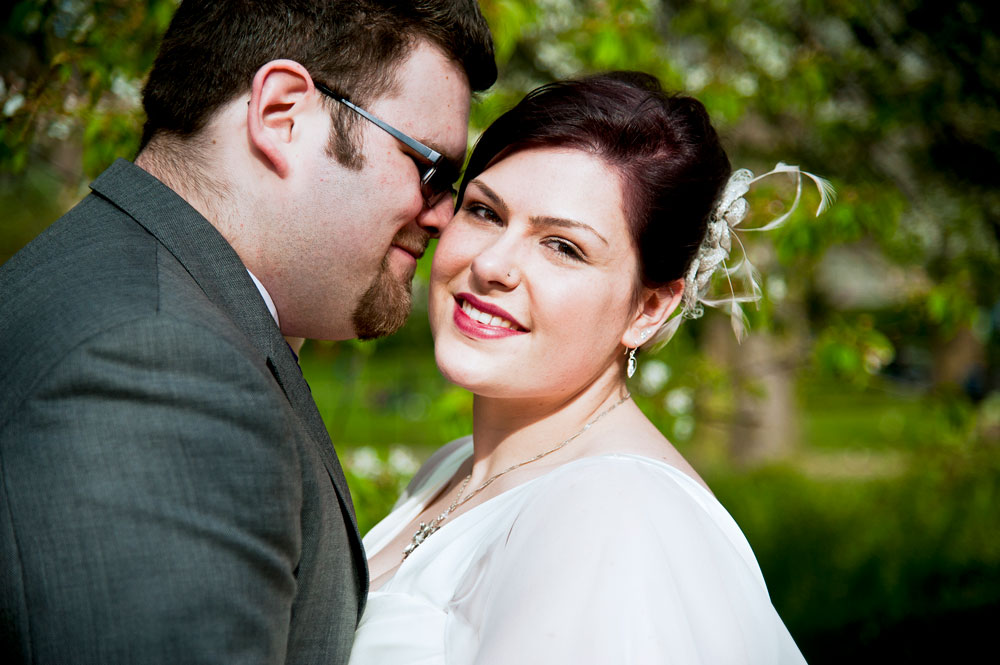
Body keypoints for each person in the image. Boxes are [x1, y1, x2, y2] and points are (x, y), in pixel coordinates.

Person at [0, 1, 495, 663]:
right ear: (281, 113)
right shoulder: (162, 365)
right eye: (430, 168)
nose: (442, 216)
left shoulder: (112, 280)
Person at [348, 72, 830, 663]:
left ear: (649, 308)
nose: (494, 264)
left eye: (563, 247)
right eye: (484, 213)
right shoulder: (451, 467)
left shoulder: (609, 512)